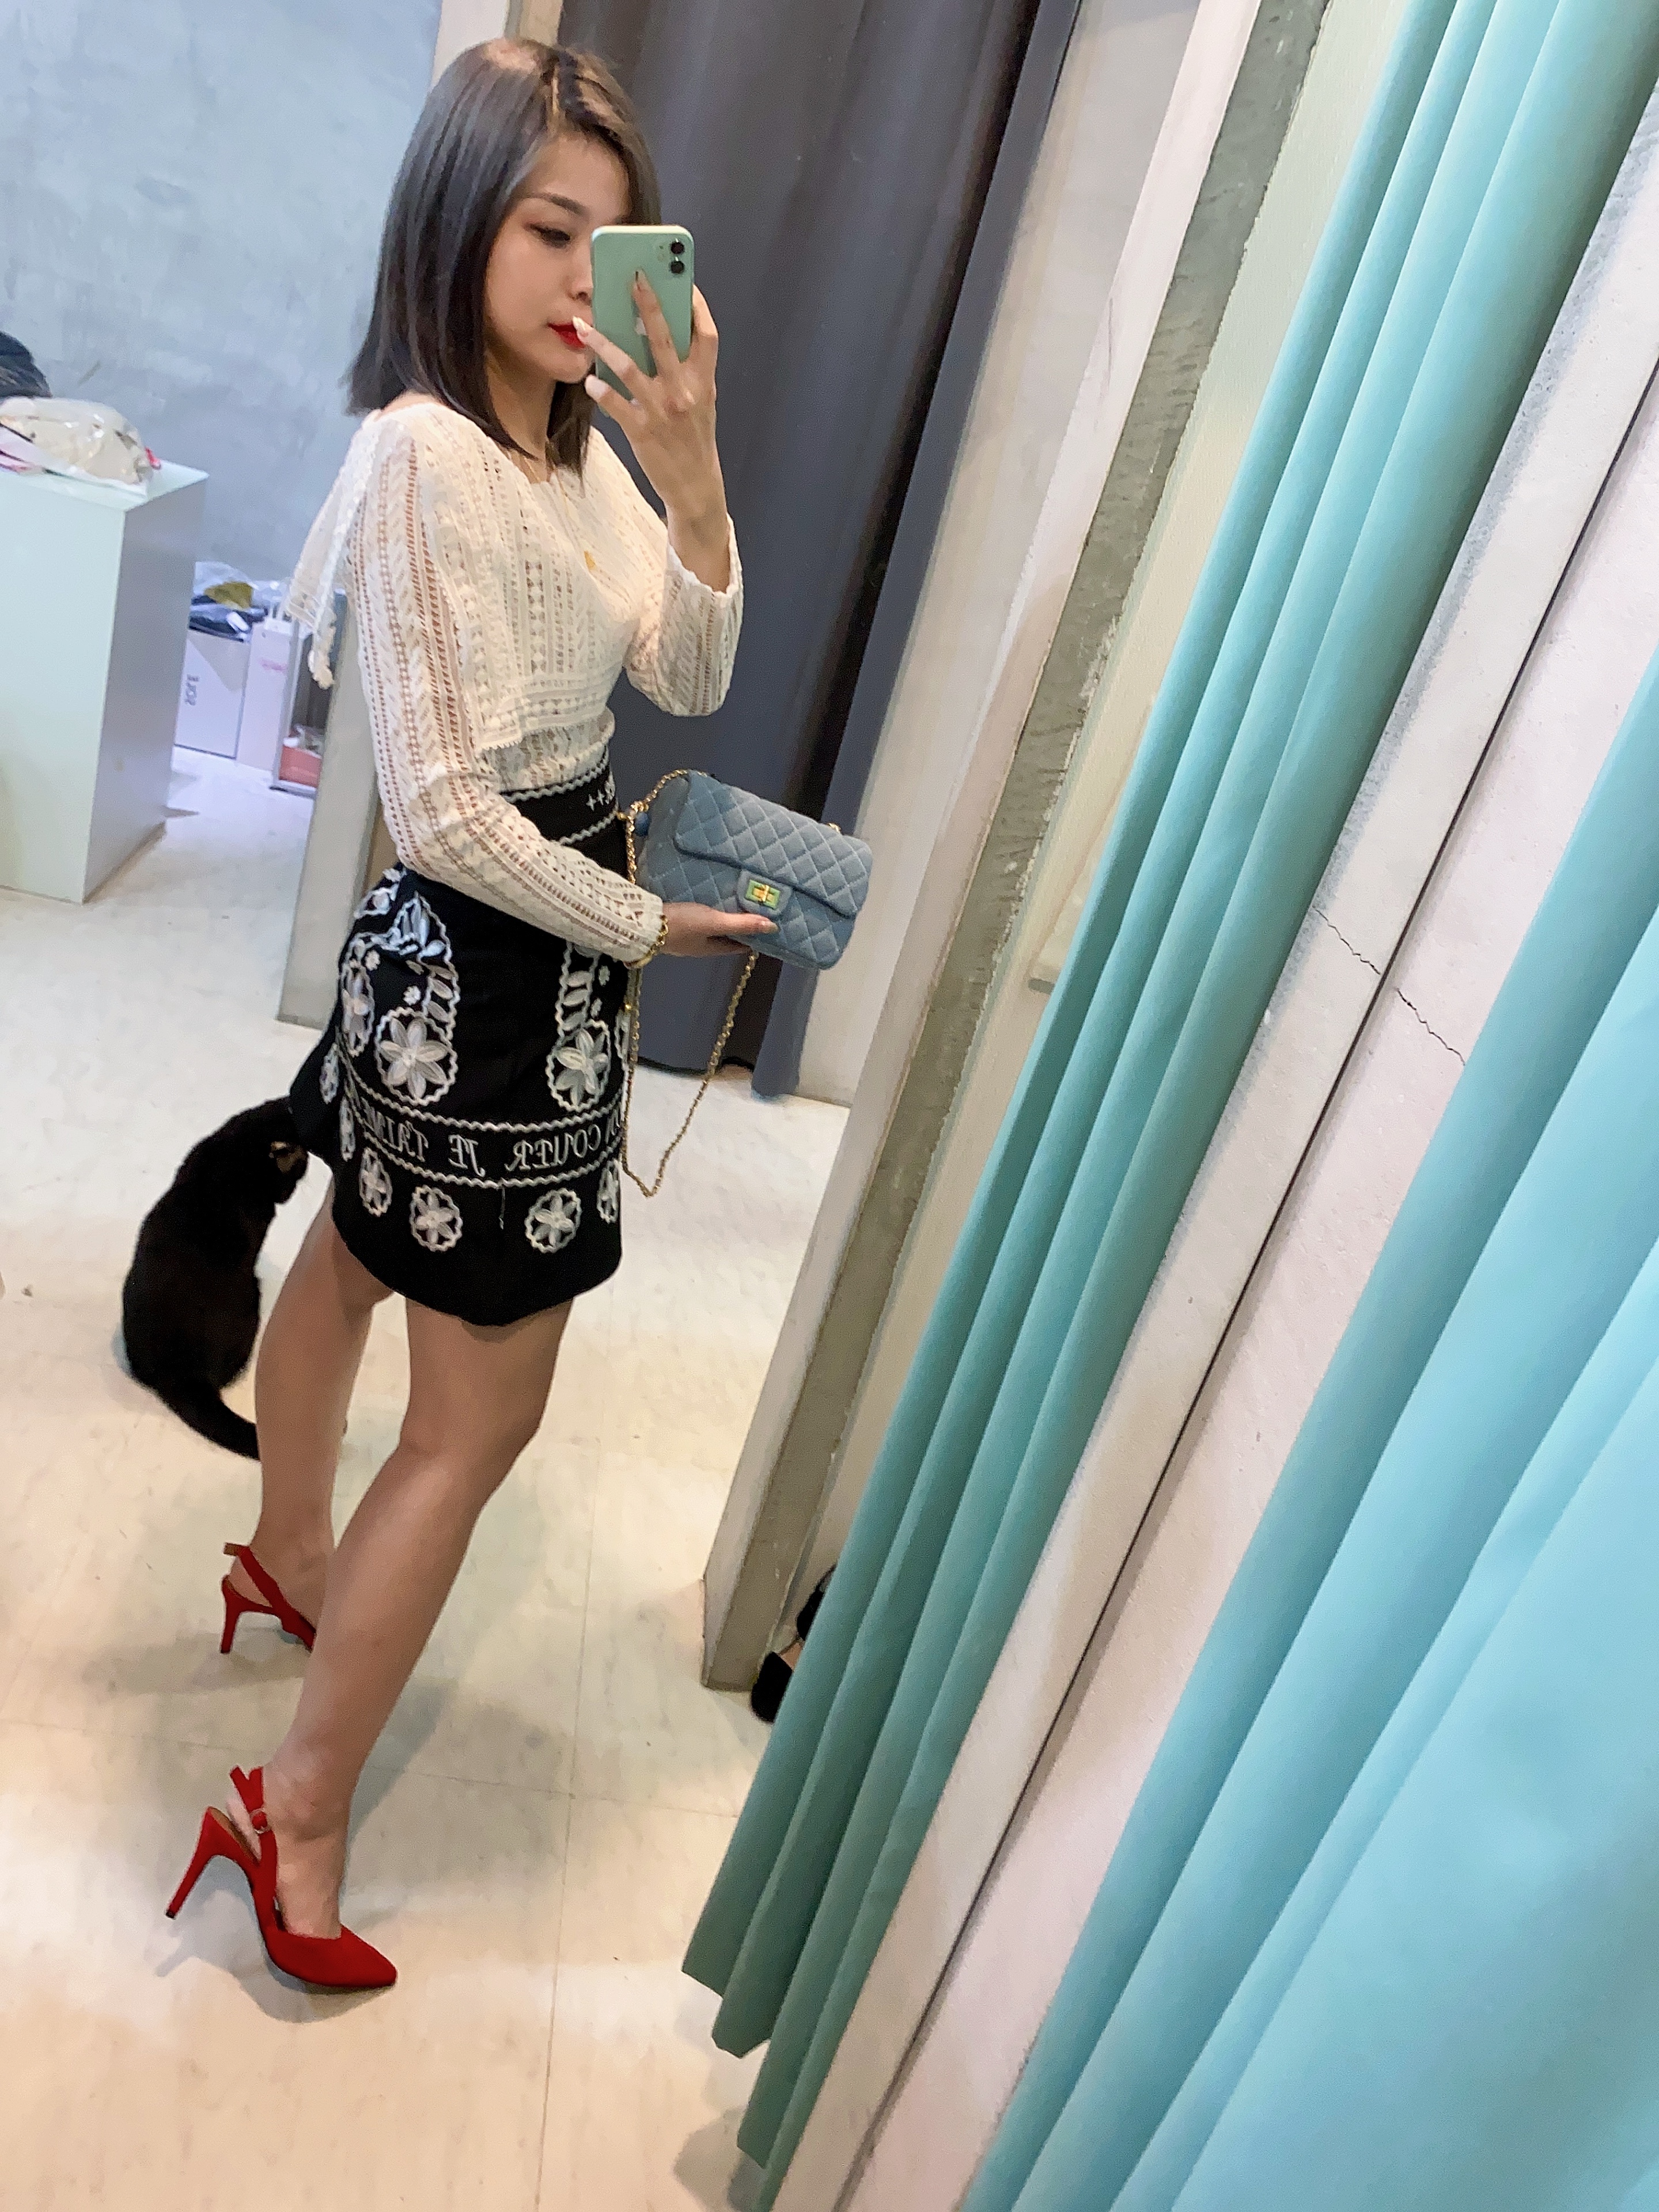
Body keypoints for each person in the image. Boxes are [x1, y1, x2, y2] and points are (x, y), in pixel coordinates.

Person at [165, 40, 776, 1990]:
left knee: (357, 1245)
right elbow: (437, 809)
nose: (585, 279)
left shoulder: (575, 451)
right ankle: (296, 1810)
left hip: (492, 954)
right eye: (543, 230)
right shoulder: (426, 454)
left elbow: (687, 674)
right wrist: (641, 927)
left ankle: (287, 1553)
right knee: (480, 1420)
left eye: (615, 241)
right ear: (458, 227)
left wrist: (692, 472)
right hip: (489, 960)